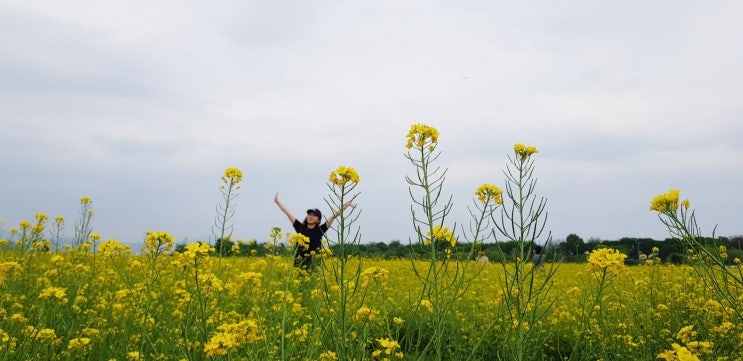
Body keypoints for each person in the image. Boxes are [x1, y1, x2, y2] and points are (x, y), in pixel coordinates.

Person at [274, 193, 354, 269]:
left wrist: (345, 206)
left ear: (319, 220)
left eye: (314, 215)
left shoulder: (320, 230)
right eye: (309, 214)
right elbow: (288, 213)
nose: (311, 217)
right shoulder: (299, 227)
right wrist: (277, 202)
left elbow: (333, 217)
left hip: (314, 264)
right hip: (299, 264)